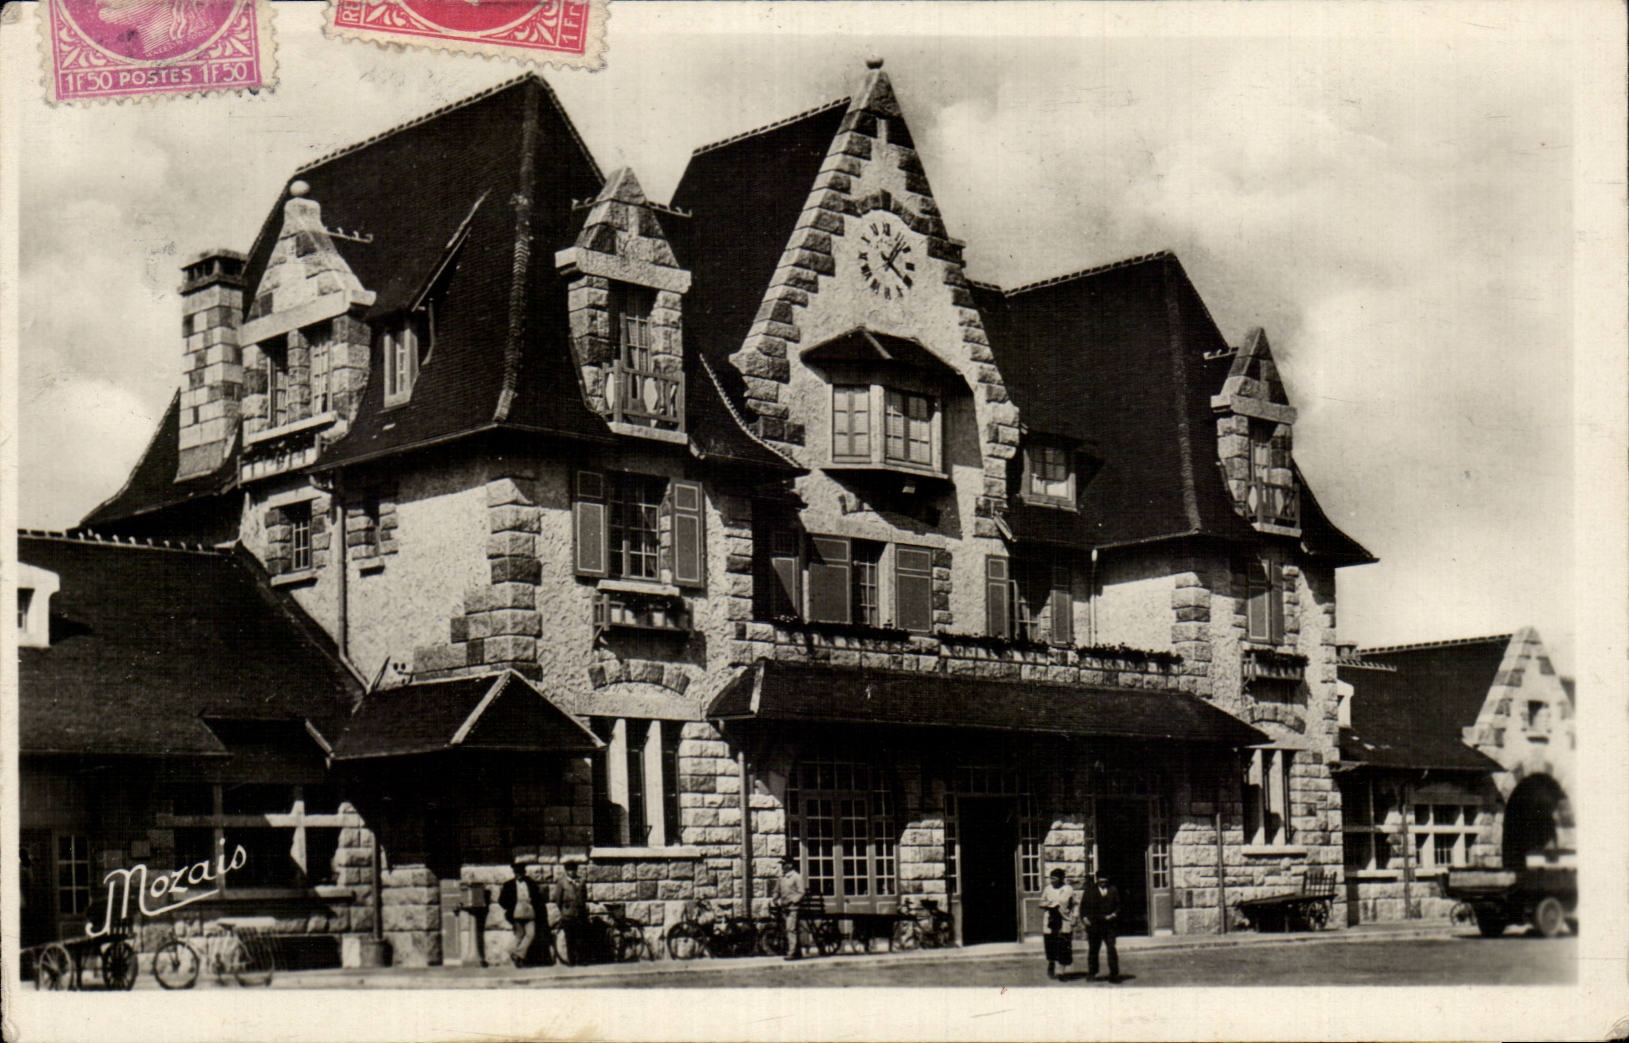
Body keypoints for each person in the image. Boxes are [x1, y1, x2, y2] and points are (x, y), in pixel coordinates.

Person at [497, 861, 547, 967]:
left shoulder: (531, 883)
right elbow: (501, 901)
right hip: (516, 913)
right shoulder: (508, 885)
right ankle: (517, 955)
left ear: (524, 872)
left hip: (530, 913)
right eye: (516, 872)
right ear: (514, 873)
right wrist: (511, 907)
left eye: (520, 872)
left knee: (531, 934)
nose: (518, 875)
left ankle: (516, 953)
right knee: (519, 935)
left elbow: (538, 898)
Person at [1080, 870, 1121, 981]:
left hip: (1109, 926)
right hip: (1094, 925)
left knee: (1111, 949)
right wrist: (1084, 918)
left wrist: (1113, 915)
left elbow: (1119, 907)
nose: (1103, 883)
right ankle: (1092, 973)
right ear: (1097, 880)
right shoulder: (1090, 891)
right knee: (1093, 949)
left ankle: (1114, 974)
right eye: (1101, 881)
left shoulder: (1113, 890)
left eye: (1105, 881)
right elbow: (1083, 907)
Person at [1038, 868, 1078, 979]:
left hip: (1065, 920)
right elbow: (1041, 902)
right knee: (1051, 944)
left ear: (1061, 879)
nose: (1052, 881)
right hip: (1051, 921)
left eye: (1054, 878)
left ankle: (1061, 971)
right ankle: (1051, 963)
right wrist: (1049, 904)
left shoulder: (1068, 889)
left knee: (1064, 945)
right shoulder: (1048, 889)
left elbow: (1075, 904)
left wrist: (1075, 917)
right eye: (1051, 878)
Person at [557, 859, 592, 965]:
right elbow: (558, 899)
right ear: (566, 871)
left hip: (580, 914)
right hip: (568, 914)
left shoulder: (581, 881)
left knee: (581, 938)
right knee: (570, 939)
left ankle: (581, 960)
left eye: (573, 870)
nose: (572, 872)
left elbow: (584, 896)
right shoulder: (562, 882)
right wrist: (564, 910)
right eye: (569, 870)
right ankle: (571, 960)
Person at [775, 856, 806, 961]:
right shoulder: (781, 877)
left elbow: (801, 892)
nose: (782, 867)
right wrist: (775, 899)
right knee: (788, 930)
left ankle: (792, 952)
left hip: (793, 908)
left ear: (790, 865)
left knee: (791, 929)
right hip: (784, 907)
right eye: (782, 865)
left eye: (784, 864)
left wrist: (793, 901)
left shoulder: (796, 877)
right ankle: (797, 951)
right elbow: (777, 890)